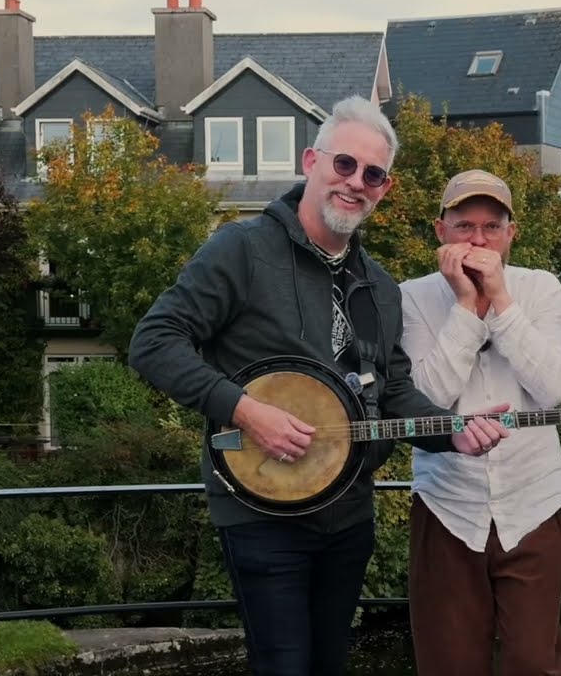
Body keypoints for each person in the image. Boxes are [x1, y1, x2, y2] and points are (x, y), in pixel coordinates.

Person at [127, 96, 511, 676]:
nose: (356, 182)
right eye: (345, 164)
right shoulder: (242, 249)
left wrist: (451, 432)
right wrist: (245, 411)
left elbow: (394, 391)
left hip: (350, 516)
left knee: (330, 663)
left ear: (385, 187)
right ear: (312, 161)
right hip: (260, 516)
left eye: (373, 174)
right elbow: (153, 342)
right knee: (283, 666)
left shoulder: (379, 286)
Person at [399, 169, 561, 675]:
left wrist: (499, 301)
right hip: (447, 503)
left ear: (510, 235)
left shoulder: (539, 289)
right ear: (440, 231)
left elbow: (552, 389)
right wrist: (464, 307)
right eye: (464, 226)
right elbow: (425, 399)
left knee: (535, 661)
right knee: (449, 661)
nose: (478, 240)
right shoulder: (410, 296)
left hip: (534, 499)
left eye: (491, 227)